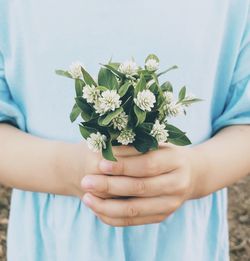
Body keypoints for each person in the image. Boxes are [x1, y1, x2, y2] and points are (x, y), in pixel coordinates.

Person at [0, 1, 250, 260]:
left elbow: (244, 122)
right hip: (57, 244)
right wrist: (67, 170)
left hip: (179, 243)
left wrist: (198, 173)